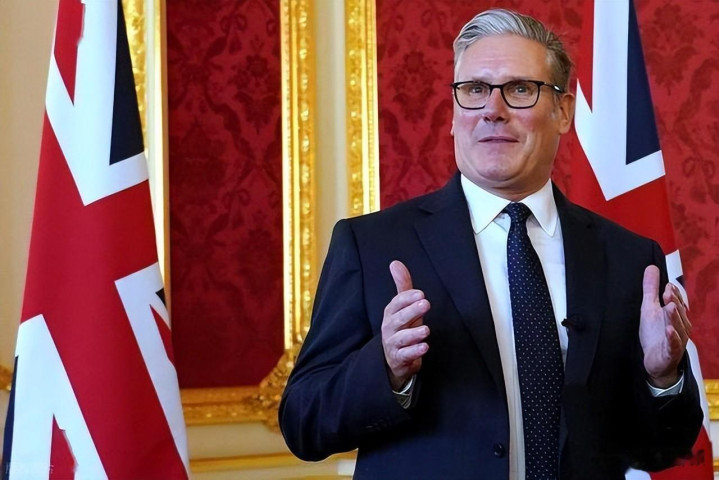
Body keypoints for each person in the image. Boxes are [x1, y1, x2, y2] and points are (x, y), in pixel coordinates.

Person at [278, 8, 702, 480]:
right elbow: (303, 423)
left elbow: (663, 450)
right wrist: (386, 367)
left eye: (519, 89)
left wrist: (662, 377)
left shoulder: (628, 258)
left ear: (563, 111)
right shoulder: (371, 245)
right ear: (454, 114)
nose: (492, 110)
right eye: (475, 90)